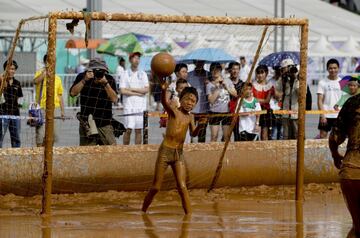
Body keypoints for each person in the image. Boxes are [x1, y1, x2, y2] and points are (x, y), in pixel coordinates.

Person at [142, 78, 206, 215]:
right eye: (187, 99)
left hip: (178, 154)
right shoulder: (173, 111)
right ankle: (143, 211)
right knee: (156, 187)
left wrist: (201, 125)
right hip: (165, 152)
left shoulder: (190, 117)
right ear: (181, 99)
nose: (190, 103)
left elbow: (194, 133)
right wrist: (164, 89)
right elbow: (164, 102)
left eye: (193, 101)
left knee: (182, 187)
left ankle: (189, 217)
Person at [329, 93, 360, 237]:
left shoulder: (352, 103)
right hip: (353, 171)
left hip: (352, 171)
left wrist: (335, 155)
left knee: (358, 226)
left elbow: (334, 137)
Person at [70, 58, 118, 146]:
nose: (98, 73)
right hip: (87, 124)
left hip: (105, 123)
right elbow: (73, 93)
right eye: (95, 70)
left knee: (111, 153)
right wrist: (84, 80)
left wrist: (105, 84)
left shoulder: (109, 79)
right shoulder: (82, 77)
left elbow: (114, 99)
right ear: (90, 70)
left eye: (101, 71)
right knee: (87, 154)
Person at [33, 54, 65, 147]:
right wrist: (45, 73)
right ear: (45, 62)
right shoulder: (40, 73)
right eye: (49, 61)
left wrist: (62, 111)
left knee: (53, 135)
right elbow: (35, 81)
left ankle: (48, 153)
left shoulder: (58, 78)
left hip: (55, 109)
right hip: (42, 108)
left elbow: (60, 96)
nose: (52, 63)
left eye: (53, 61)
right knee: (40, 134)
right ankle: (39, 154)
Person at [120, 52, 149, 145]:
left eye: (138, 58)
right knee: (128, 129)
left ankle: (138, 150)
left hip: (141, 106)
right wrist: (139, 92)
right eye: (135, 58)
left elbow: (146, 89)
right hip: (129, 106)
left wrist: (131, 89)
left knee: (138, 130)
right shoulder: (125, 74)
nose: (137, 60)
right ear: (130, 60)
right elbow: (123, 90)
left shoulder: (143, 74)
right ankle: (125, 150)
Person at [206, 63, 237, 142]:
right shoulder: (209, 84)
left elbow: (235, 94)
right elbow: (211, 100)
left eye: (217, 70)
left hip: (226, 112)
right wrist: (218, 89)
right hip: (214, 112)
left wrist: (226, 87)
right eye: (213, 70)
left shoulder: (227, 80)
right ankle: (213, 153)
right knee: (214, 136)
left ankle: (225, 153)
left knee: (227, 136)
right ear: (211, 71)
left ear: (220, 71)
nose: (215, 71)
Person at [0, 60, 23, 147]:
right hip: (2, 114)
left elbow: (19, 98)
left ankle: (16, 156)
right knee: (0, 136)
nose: (11, 71)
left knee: (16, 138)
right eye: (9, 69)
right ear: (5, 70)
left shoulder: (17, 83)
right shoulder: (1, 81)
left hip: (15, 114)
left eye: (13, 69)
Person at [317, 58, 342, 139]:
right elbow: (320, 100)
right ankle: (322, 152)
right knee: (322, 136)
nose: (333, 70)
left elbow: (345, 99)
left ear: (338, 68)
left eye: (335, 68)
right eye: (330, 68)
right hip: (326, 115)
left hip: (339, 115)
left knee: (337, 138)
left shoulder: (343, 82)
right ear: (327, 69)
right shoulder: (322, 82)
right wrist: (322, 115)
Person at [252, 65, 274, 140]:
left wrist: (256, 99)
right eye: (258, 73)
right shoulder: (253, 85)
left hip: (265, 111)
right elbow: (251, 99)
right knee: (254, 133)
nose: (260, 75)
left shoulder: (270, 85)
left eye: (262, 72)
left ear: (266, 73)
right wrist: (262, 100)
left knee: (265, 134)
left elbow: (267, 100)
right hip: (254, 110)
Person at [280, 59, 300, 140]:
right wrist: (283, 79)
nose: (287, 70)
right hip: (285, 113)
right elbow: (277, 94)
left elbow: (301, 95)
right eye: (283, 69)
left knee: (297, 135)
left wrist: (296, 79)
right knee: (285, 135)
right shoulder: (284, 79)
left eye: (285, 68)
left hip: (296, 113)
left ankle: (297, 152)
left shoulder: (299, 79)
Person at [227, 62, 243, 141]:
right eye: (233, 69)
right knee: (226, 137)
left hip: (238, 114)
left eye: (237, 69)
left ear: (239, 70)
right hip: (227, 113)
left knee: (238, 136)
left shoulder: (242, 84)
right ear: (230, 70)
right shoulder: (225, 82)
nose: (235, 71)